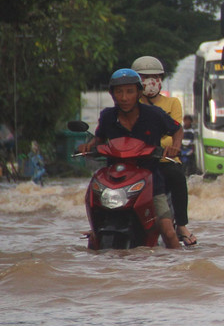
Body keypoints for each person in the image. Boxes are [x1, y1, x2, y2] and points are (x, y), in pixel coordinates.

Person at [78, 68, 183, 249]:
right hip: (114, 179)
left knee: (168, 232)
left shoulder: (154, 114)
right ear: (113, 94)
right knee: (93, 234)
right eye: (119, 92)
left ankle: (180, 271)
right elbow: (99, 138)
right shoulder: (107, 116)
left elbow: (177, 130)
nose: (124, 97)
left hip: (150, 181)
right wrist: (89, 145)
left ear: (138, 93)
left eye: (129, 91)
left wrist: (176, 147)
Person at [133, 56, 197, 246]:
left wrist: (166, 146)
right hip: (136, 162)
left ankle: (182, 225)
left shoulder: (172, 104)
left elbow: (174, 132)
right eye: (144, 77)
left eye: (155, 76)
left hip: (163, 161)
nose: (150, 82)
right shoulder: (128, 105)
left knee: (177, 176)